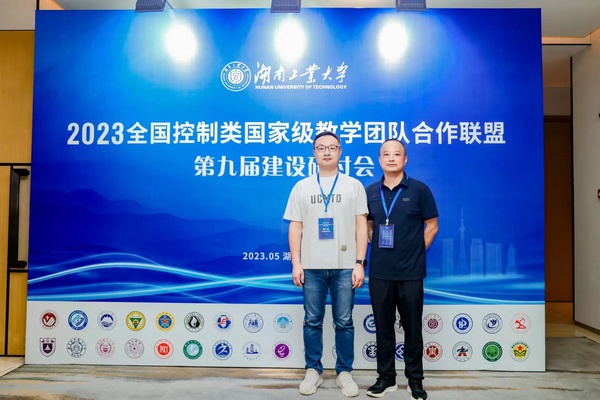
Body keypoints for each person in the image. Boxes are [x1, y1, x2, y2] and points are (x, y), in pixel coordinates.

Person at [283, 131, 368, 397]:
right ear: (314, 153)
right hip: (311, 266)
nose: (327, 152)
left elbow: (361, 226)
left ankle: (344, 372)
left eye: (332, 147)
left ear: (340, 152)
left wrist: (359, 263)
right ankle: (313, 371)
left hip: (345, 265)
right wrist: (296, 263)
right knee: (312, 321)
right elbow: (295, 226)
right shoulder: (302, 187)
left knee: (344, 321)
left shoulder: (354, 185)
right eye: (321, 148)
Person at [365, 139, 439, 399]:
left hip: (411, 273)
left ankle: (415, 380)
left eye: (397, 154)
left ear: (405, 159)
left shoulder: (419, 190)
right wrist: (372, 237)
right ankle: (386, 378)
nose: (391, 158)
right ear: (379, 160)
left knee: (413, 329)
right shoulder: (370, 191)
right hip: (380, 273)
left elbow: (432, 226)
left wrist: (415, 251)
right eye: (386, 154)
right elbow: (367, 224)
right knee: (383, 328)